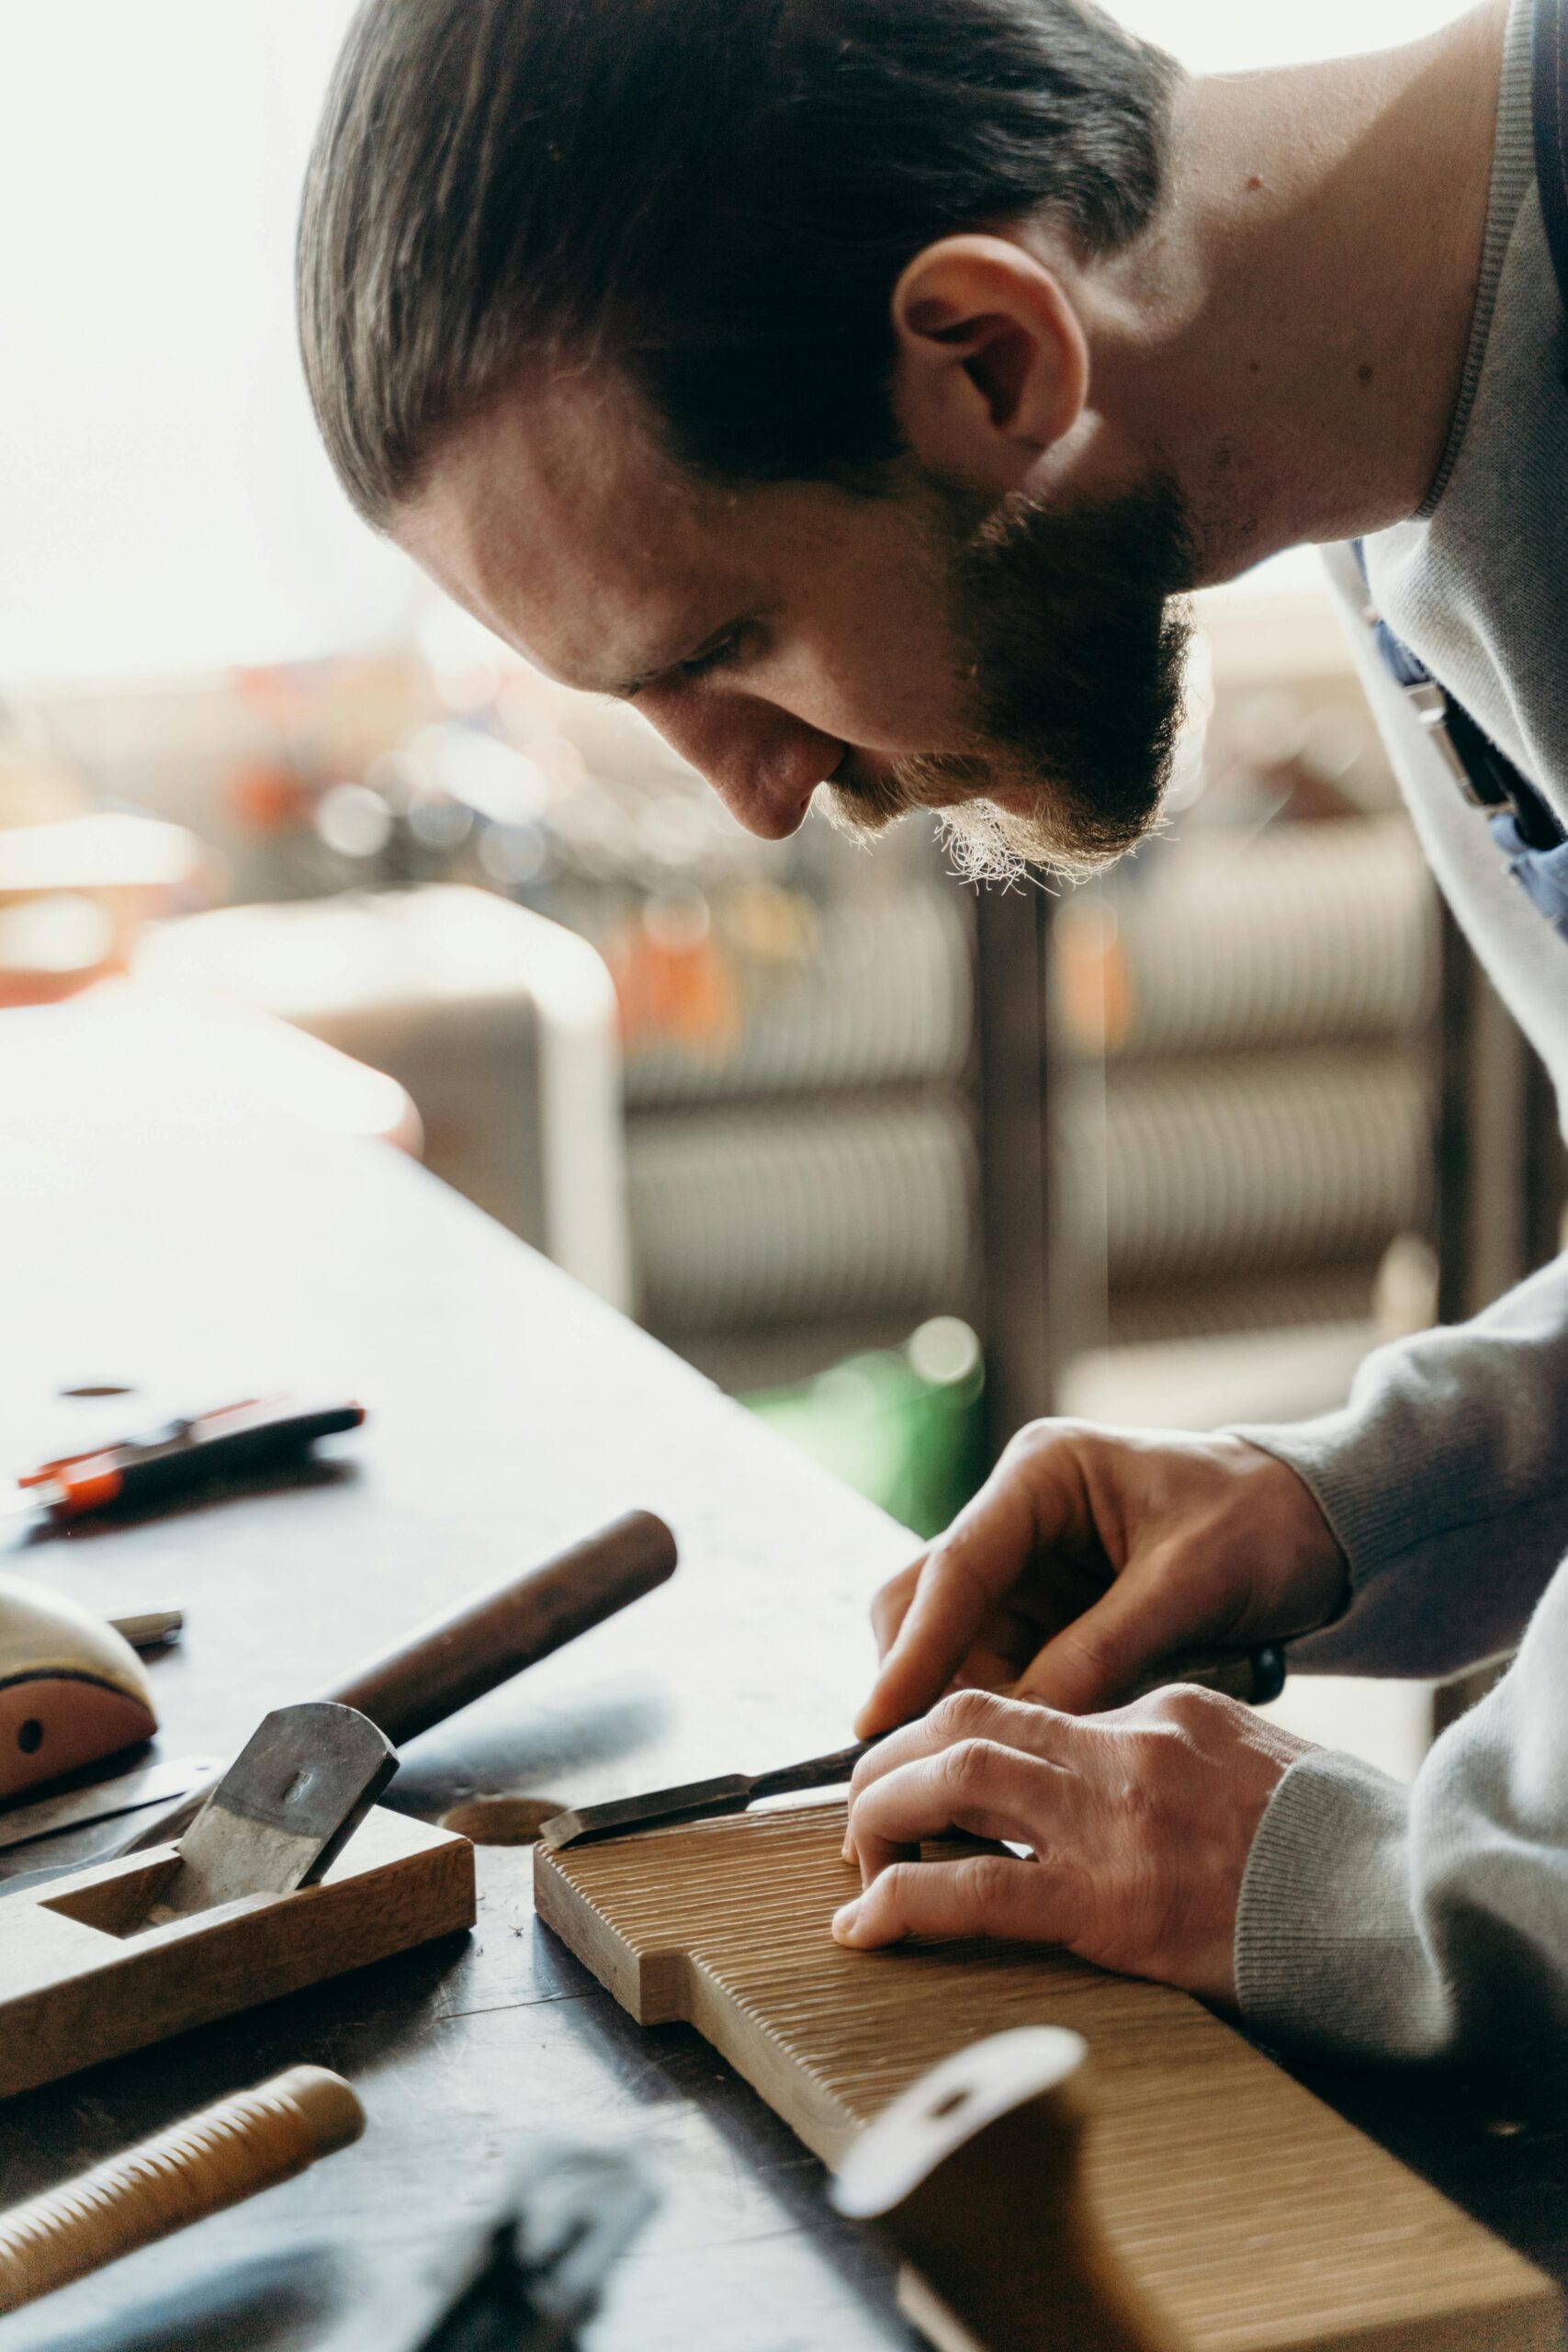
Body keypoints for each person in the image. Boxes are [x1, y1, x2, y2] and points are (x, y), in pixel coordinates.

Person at [298, 0, 1568, 2063]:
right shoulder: (1404, 445)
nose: (755, 794)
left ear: (989, 353)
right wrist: (1358, 1492)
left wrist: (1397, 1889)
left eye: (722, 648)